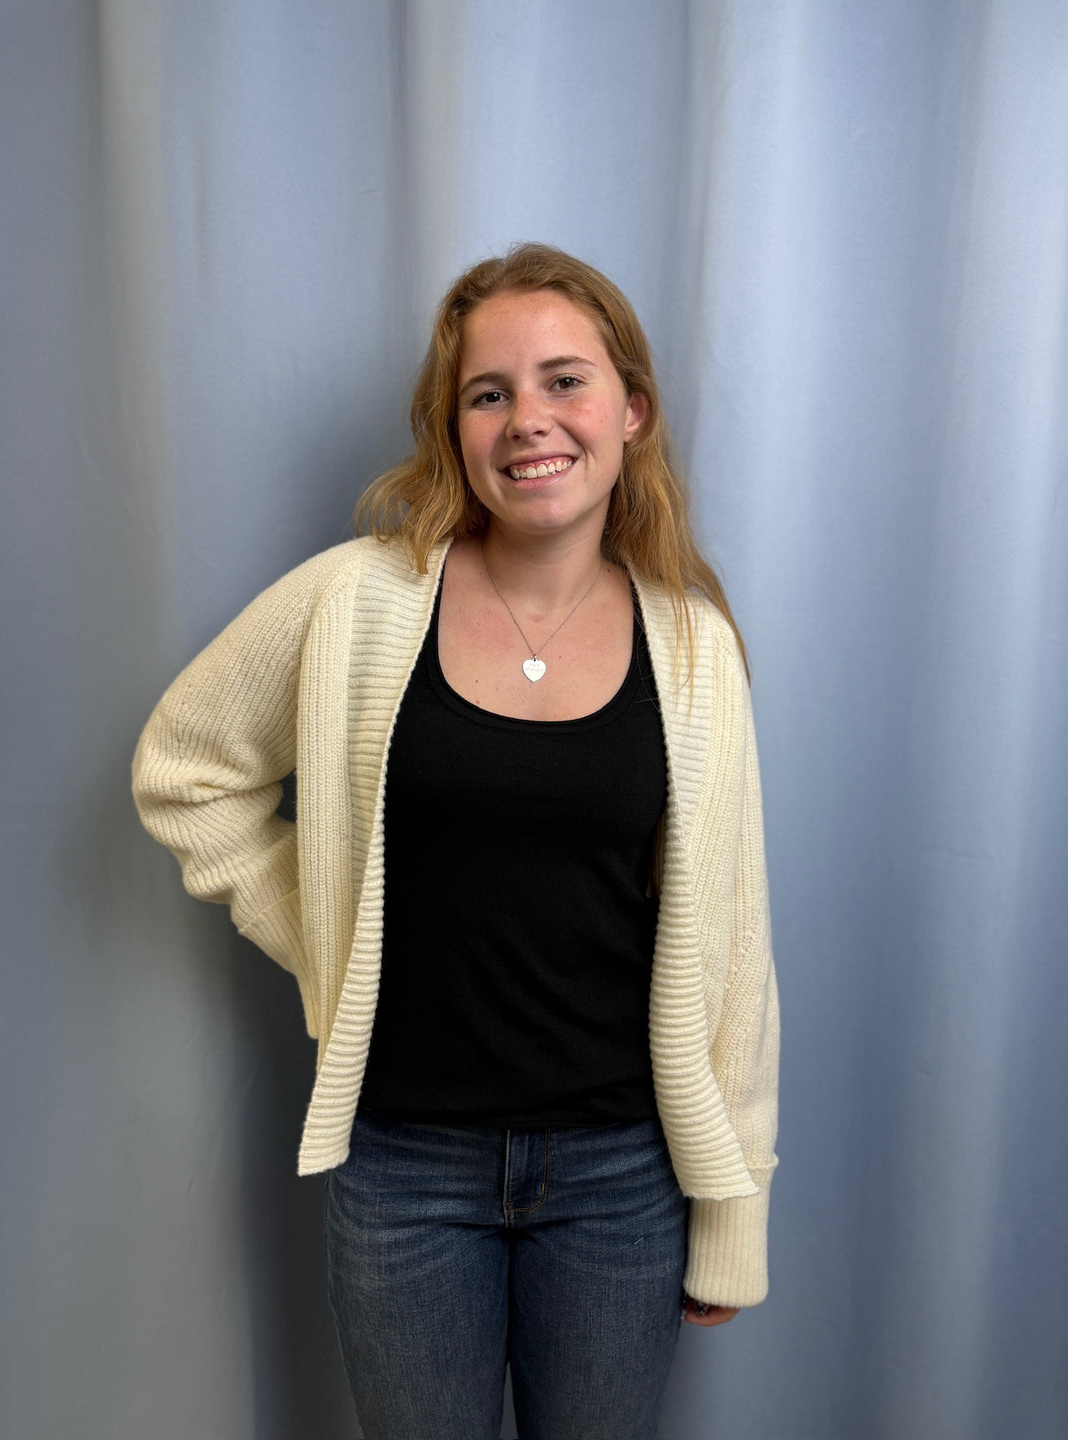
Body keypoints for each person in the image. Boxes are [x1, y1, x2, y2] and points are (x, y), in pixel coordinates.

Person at [132, 242, 779, 1440]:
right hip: (404, 1173)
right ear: (455, 428)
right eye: (490, 393)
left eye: (565, 381)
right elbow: (186, 771)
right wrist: (326, 938)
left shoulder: (692, 649)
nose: (529, 419)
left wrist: (730, 1216)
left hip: (620, 1179)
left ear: (631, 409)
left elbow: (732, 955)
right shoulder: (358, 601)